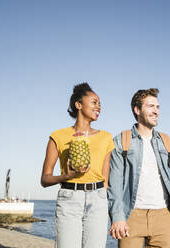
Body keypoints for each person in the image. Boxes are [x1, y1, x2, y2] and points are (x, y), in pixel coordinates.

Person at [108, 88, 170, 247]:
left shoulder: (166, 141)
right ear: (137, 110)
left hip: (163, 217)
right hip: (131, 216)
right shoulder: (121, 141)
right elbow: (114, 184)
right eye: (151, 106)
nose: (156, 111)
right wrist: (117, 217)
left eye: (157, 107)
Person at [41, 83, 114, 248]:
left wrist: (102, 194)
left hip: (98, 199)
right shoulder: (58, 136)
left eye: (100, 104)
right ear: (78, 104)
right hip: (69, 197)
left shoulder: (106, 138)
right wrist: (67, 176)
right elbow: (45, 179)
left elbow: (105, 178)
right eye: (94, 102)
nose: (99, 107)